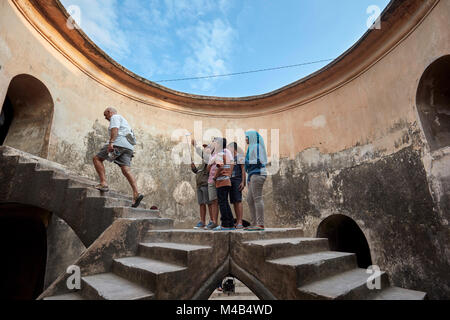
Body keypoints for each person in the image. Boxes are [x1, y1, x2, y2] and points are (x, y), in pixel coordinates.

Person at [92, 107, 144, 208]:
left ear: (109, 112)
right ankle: (136, 193)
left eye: (105, 115)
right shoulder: (125, 122)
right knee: (126, 170)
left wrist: (111, 142)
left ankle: (103, 183)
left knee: (97, 159)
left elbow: (115, 129)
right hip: (129, 147)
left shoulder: (115, 117)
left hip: (118, 143)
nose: (105, 118)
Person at [244, 131, 268, 231]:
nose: (245, 139)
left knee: (257, 198)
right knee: (250, 199)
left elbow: (258, 161)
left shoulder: (256, 146)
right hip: (253, 175)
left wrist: (244, 161)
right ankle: (254, 223)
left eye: (247, 137)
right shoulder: (252, 147)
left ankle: (260, 224)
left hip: (258, 174)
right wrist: (249, 178)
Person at [211, 137, 235, 231]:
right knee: (225, 202)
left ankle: (225, 224)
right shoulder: (225, 154)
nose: (214, 144)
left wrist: (214, 177)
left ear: (219, 145)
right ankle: (230, 224)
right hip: (226, 181)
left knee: (222, 203)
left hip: (221, 181)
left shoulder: (220, 154)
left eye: (215, 143)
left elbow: (220, 167)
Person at [191, 140, 214, 229]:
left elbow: (202, 154)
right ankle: (202, 221)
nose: (205, 149)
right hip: (199, 184)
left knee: (209, 203)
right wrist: (193, 168)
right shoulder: (203, 162)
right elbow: (198, 172)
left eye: (207, 148)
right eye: (204, 148)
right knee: (201, 203)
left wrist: (196, 146)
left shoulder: (209, 158)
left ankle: (212, 221)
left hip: (205, 184)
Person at [227, 142, 246, 229]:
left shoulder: (240, 156)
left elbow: (243, 170)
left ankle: (240, 221)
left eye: (229, 148)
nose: (228, 150)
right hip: (231, 181)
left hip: (237, 180)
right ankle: (237, 221)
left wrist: (243, 182)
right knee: (234, 201)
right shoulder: (230, 158)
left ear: (233, 148)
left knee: (238, 201)